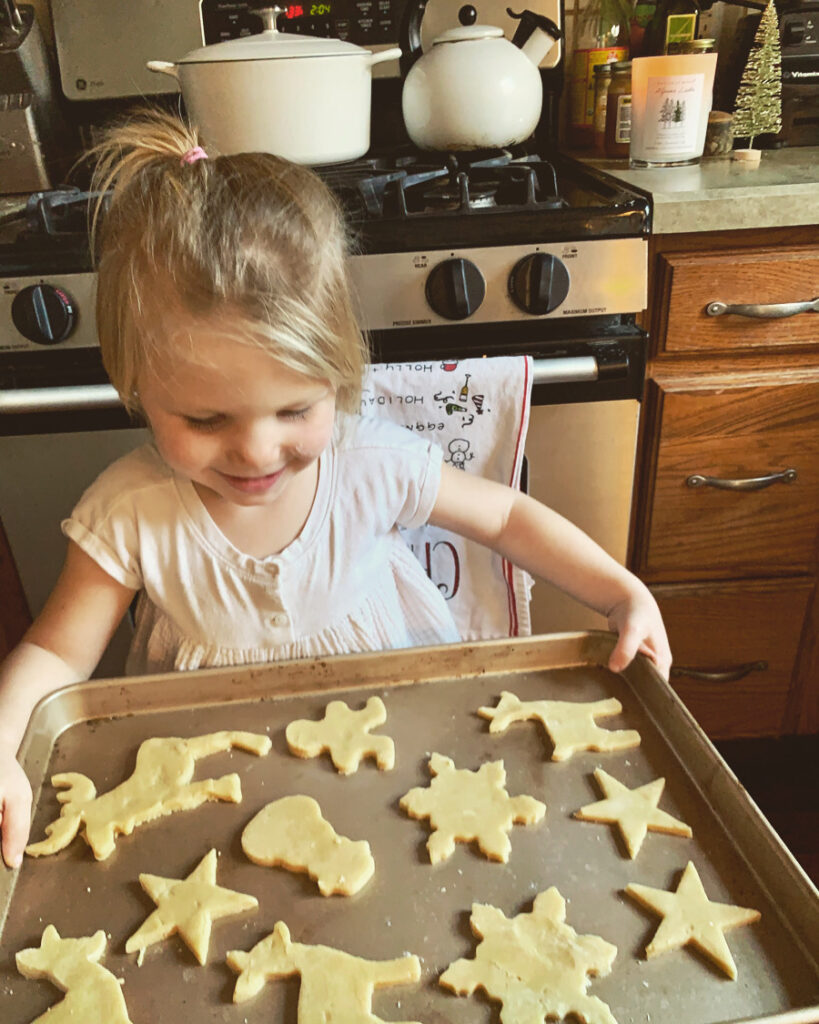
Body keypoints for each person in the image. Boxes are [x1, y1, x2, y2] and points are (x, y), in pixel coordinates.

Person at [0, 110, 671, 869]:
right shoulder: (132, 513)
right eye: (204, 417)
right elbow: (55, 656)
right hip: (213, 787)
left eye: (295, 409)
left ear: (342, 378)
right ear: (134, 387)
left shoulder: (369, 466)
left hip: (395, 762)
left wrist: (617, 593)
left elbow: (507, 517)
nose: (256, 448)